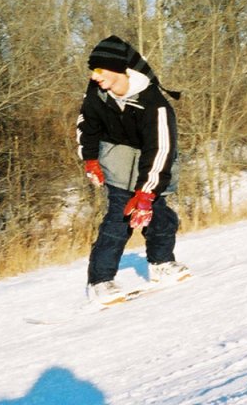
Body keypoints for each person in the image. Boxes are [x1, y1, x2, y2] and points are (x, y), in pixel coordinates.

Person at [76, 35, 190, 305]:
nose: (94, 76)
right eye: (93, 70)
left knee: (161, 217)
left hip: (152, 164)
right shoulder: (97, 92)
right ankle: (100, 281)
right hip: (116, 159)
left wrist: (146, 194)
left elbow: (160, 150)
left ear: (120, 70)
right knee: (119, 218)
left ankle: (161, 264)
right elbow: (87, 124)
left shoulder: (155, 105)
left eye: (99, 70)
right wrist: (90, 159)